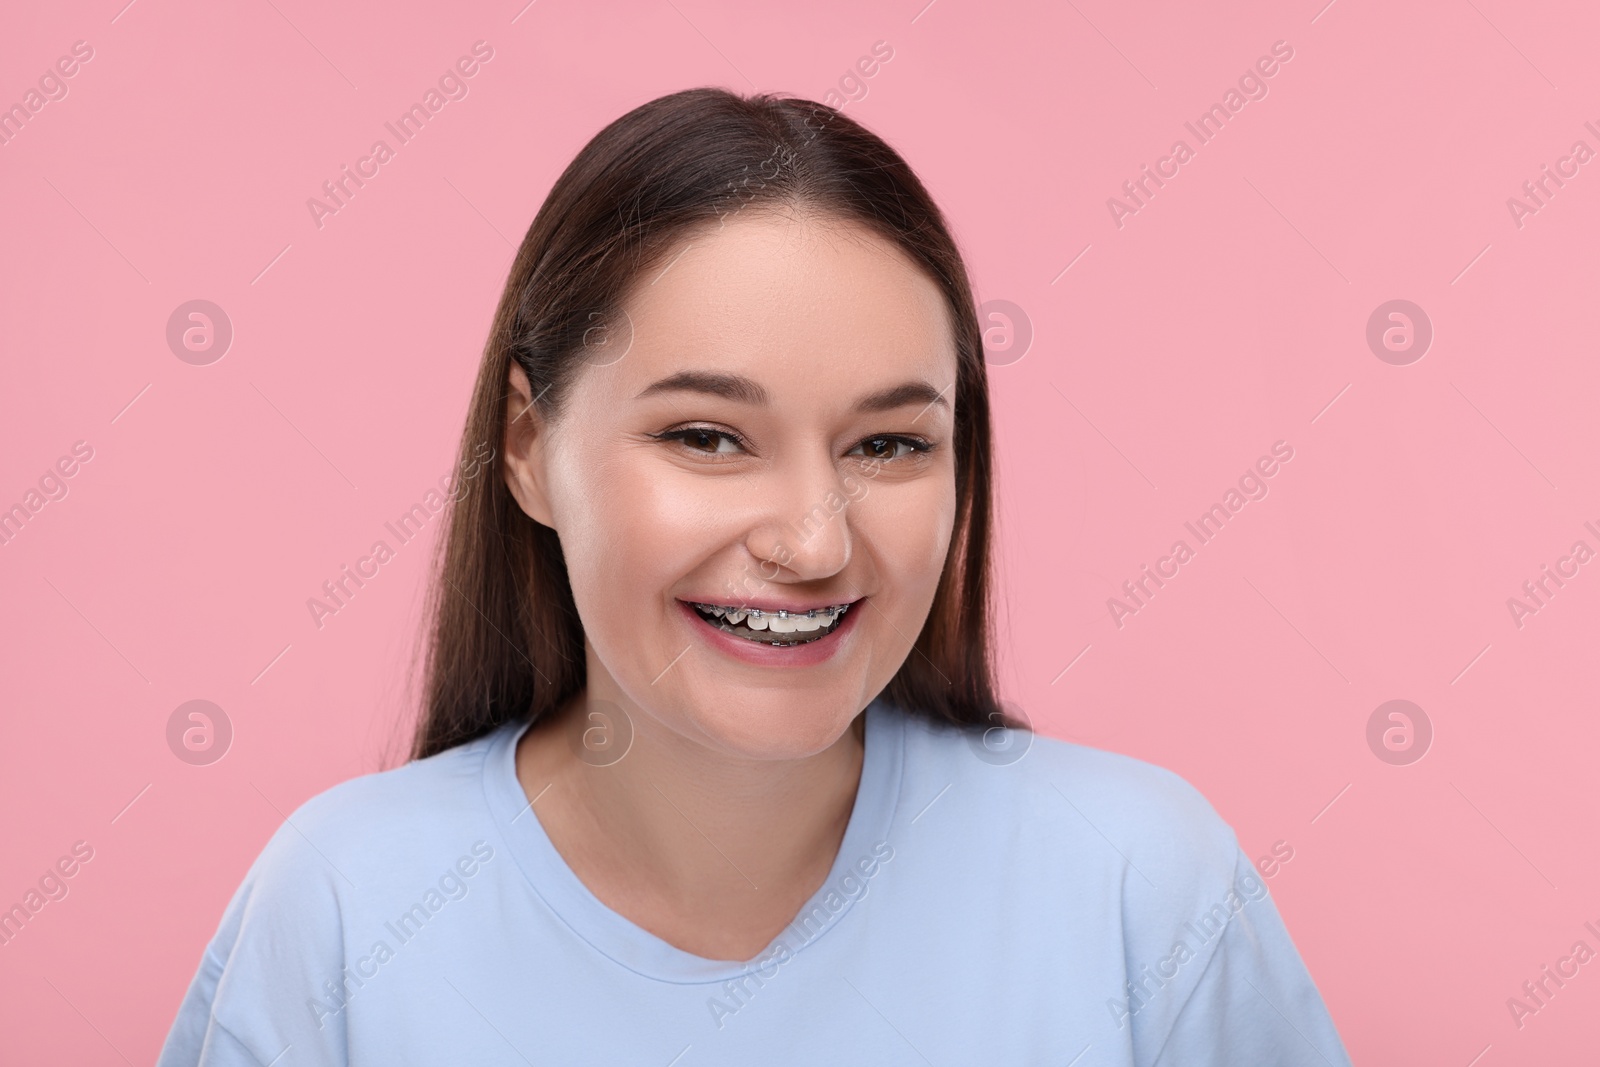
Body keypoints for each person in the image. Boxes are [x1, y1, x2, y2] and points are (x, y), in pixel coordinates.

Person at [157, 87, 1353, 1066]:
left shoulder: (1140, 883)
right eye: (706, 437)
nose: (813, 543)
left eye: (889, 443)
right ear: (526, 447)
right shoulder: (341, 908)